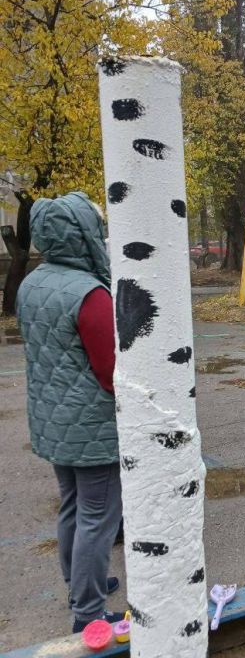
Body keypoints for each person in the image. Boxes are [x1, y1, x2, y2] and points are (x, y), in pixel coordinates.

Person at [16, 192, 125, 633]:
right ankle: (88, 612)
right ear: (82, 234)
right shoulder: (90, 294)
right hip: (92, 426)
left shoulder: (32, 283)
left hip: (51, 420)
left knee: (73, 506)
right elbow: (109, 372)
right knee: (98, 518)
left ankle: (80, 584)